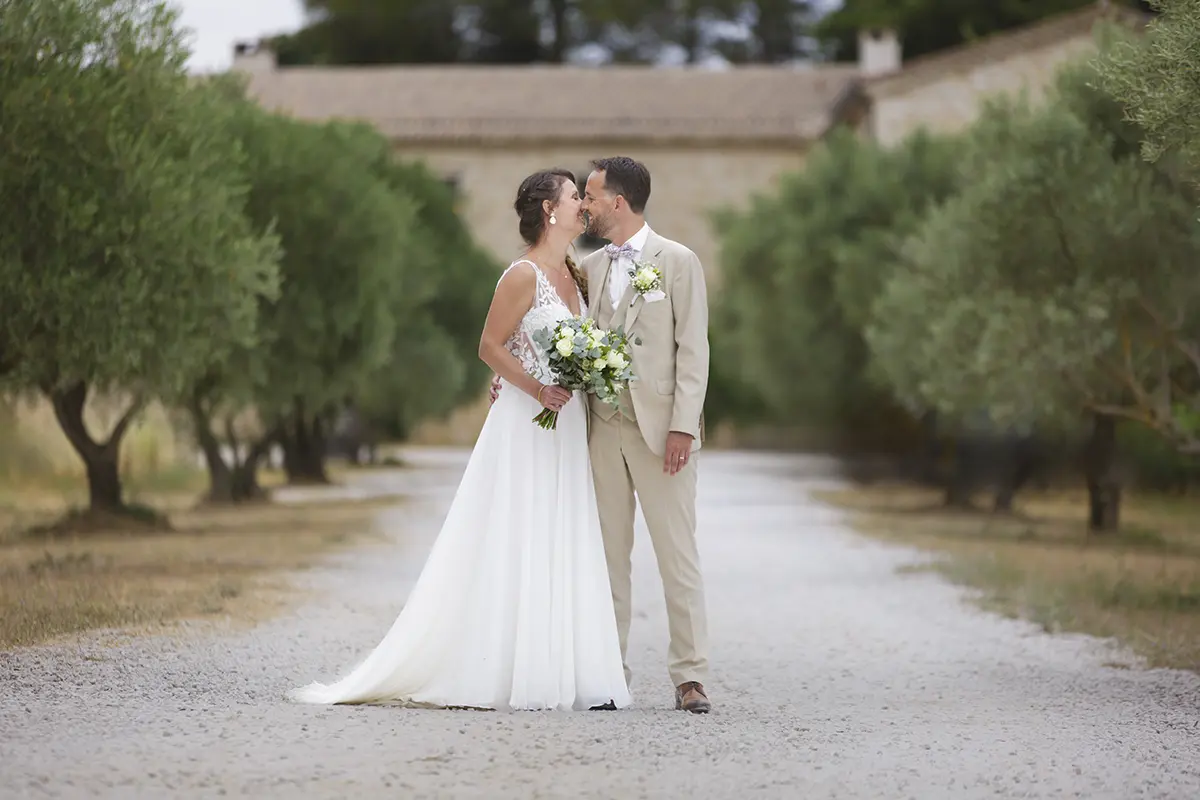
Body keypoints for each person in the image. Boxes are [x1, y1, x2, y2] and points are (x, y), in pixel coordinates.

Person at [290, 169, 630, 712]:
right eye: (573, 197)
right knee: (518, 533)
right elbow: (489, 346)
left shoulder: (574, 273)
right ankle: (510, 671)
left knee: (562, 532)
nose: (581, 206)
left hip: (567, 424)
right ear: (549, 210)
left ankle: (570, 674)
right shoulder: (522, 274)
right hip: (528, 420)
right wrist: (535, 387)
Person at [493, 157, 712, 714]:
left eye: (590, 196)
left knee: (677, 557)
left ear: (617, 201)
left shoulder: (677, 261)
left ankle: (690, 676)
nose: (585, 205)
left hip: (661, 434)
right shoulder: (585, 267)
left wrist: (683, 426)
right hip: (598, 430)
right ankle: (610, 675)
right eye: (580, 197)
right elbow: (544, 331)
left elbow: (694, 350)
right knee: (606, 559)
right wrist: (514, 378)